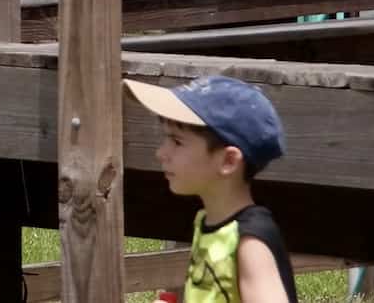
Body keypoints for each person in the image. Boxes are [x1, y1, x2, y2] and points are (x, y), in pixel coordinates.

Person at [125, 74, 296, 303]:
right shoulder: (206, 222)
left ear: (228, 161)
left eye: (177, 142)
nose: (160, 153)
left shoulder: (249, 241)